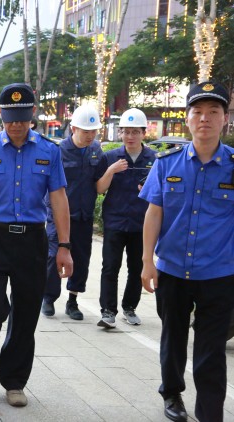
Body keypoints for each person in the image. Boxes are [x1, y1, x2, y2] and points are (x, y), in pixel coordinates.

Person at [0, 83, 73, 407]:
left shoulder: (49, 151)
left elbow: (59, 199)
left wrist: (64, 246)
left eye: (22, 118)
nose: (16, 125)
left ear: (32, 114)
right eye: (10, 119)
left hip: (31, 240)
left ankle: (14, 380)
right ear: (1, 116)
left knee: (26, 312)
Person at [140, 81, 234, 422]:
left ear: (225, 118)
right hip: (173, 270)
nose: (205, 118)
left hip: (219, 273)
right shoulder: (167, 163)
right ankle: (172, 393)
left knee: (211, 348)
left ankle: (210, 413)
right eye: (198, 112)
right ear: (188, 118)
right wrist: (147, 261)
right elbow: (154, 213)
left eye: (213, 111)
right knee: (173, 337)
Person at [41, 104, 104, 320]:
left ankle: (73, 300)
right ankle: (48, 298)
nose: (90, 136)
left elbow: (99, 182)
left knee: (81, 259)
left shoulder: (96, 151)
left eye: (93, 131)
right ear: (74, 128)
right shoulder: (58, 151)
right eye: (86, 131)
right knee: (53, 257)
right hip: (58, 217)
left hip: (83, 216)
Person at [95, 108, 156, 328]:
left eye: (135, 132)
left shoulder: (154, 159)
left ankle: (129, 307)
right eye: (126, 132)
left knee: (136, 268)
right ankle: (108, 311)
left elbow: (159, 193)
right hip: (115, 221)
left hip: (141, 223)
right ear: (120, 133)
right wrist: (110, 171)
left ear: (143, 133)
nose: (130, 136)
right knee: (110, 267)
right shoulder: (110, 157)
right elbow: (100, 189)